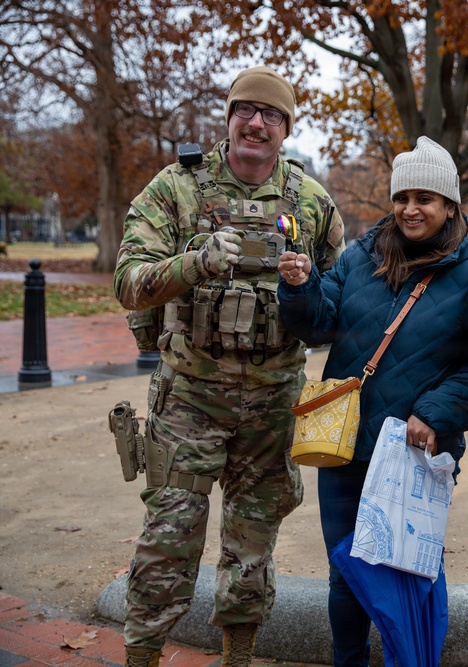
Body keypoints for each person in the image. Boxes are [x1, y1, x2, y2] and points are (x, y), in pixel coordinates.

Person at [114, 65, 346, 667]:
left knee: (252, 547)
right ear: (229, 118)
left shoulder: (311, 202)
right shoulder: (177, 189)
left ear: (286, 129)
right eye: (245, 109)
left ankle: (236, 658)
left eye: (271, 114)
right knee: (169, 541)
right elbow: (129, 282)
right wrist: (193, 263)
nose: (256, 122)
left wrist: (308, 282)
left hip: (271, 403)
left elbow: (339, 299)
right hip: (190, 397)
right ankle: (142, 656)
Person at [277, 136, 468, 667]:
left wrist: (435, 413)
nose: (410, 209)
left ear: (450, 204)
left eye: (425, 198)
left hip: (416, 448)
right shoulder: (363, 254)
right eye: (402, 196)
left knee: (412, 569)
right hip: (346, 445)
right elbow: (318, 324)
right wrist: (299, 285)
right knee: (347, 573)